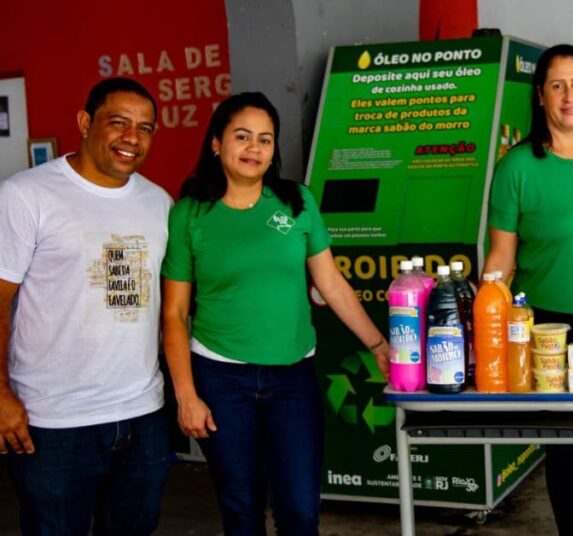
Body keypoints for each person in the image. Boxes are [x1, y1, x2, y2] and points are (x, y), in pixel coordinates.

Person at [161, 92, 389, 535]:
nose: (254, 149)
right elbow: (174, 313)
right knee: (241, 510)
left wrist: (377, 344)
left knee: (300, 511)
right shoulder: (190, 213)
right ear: (215, 143)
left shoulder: (296, 201)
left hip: (293, 379)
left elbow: (332, 284)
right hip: (222, 378)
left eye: (265, 140)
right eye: (242, 137)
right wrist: (186, 395)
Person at [0, 78, 172, 535]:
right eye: (118, 123)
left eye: (145, 128)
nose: (131, 138)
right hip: (52, 421)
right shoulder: (26, 194)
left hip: (141, 416)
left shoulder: (159, 203)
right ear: (84, 122)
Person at [482, 44, 573, 535]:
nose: (569, 95)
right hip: (548, 327)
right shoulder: (517, 167)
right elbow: (501, 258)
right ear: (541, 97)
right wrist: (489, 319)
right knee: (568, 454)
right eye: (557, 85)